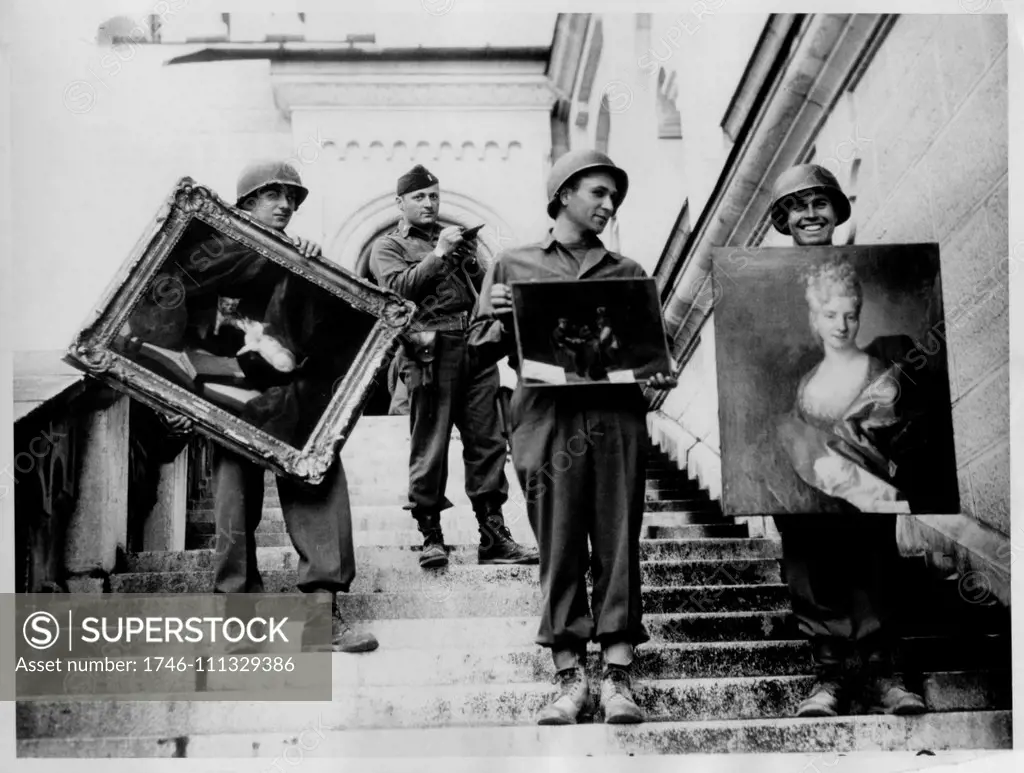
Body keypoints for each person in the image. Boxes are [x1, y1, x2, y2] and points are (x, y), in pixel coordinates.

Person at [469, 149, 676, 725]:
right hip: (544, 419)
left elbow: (655, 357)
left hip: (615, 419)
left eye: (614, 197)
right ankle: (568, 678)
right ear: (563, 195)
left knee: (616, 540)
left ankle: (617, 676)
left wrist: (661, 373)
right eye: (598, 194)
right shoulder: (513, 264)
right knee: (558, 544)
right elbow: (479, 351)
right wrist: (495, 312)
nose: (608, 205)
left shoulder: (629, 272)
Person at [160, 159, 378, 654]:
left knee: (317, 486)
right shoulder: (204, 260)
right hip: (227, 397)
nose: (285, 205)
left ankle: (322, 616)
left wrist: (311, 271)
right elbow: (173, 328)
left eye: (291, 198)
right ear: (245, 203)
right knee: (234, 506)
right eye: (272, 195)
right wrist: (174, 394)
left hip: (292, 400)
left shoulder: (299, 260)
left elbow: (324, 334)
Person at [768, 163, 925, 717]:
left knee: (874, 559)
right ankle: (830, 677)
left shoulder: (879, 361)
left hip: (864, 473)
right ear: (783, 220)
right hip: (802, 465)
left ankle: (886, 675)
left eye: (820, 203)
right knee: (810, 565)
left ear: (837, 211)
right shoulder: (763, 288)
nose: (809, 214)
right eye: (797, 206)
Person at [370, 164, 538, 569]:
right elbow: (397, 292)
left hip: (474, 349)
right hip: (428, 350)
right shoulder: (387, 246)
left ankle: (493, 536)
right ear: (400, 203)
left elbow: (481, 295)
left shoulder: (457, 243)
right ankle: (431, 536)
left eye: (433, 196)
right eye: (419, 197)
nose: (429, 203)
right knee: (430, 445)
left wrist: (472, 263)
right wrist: (439, 254)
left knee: (488, 443)